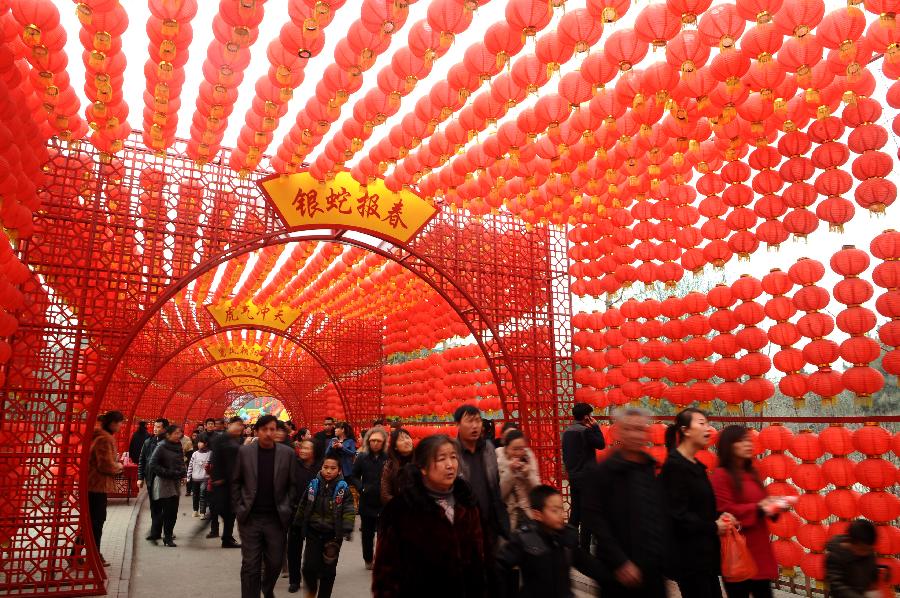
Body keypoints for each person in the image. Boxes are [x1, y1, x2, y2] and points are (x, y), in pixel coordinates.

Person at [372, 434, 485, 597]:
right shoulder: (400, 510)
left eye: (453, 457)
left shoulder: (467, 503)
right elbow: (385, 573)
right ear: (423, 467)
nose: (450, 465)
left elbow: (479, 559)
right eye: (441, 459)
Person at [582, 407, 667, 598]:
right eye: (629, 429)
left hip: (652, 567)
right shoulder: (603, 471)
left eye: (640, 429)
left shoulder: (650, 467)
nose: (635, 435)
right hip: (619, 571)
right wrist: (620, 561)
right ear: (619, 431)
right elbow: (594, 518)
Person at [659, 407, 733, 598]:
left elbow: (699, 507)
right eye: (701, 423)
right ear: (685, 430)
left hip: (704, 558)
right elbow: (677, 516)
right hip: (689, 559)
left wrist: (720, 517)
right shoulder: (675, 467)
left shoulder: (696, 466)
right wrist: (713, 526)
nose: (708, 428)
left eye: (708, 423)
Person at [711, 425, 782, 598]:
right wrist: (759, 508)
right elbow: (725, 510)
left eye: (749, 440)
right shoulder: (720, 475)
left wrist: (774, 506)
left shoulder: (752, 472)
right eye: (742, 441)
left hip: (760, 548)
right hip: (739, 551)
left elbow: (762, 502)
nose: (748, 444)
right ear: (729, 446)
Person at [497, 485, 606, 598]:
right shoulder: (525, 539)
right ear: (537, 514)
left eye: (562, 509)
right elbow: (501, 567)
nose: (562, 514)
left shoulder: (566, 537)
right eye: (555, 510)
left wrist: (613, 576)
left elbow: (586, 563)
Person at [232, 415, 298, 598]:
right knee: (250, 565)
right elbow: (236, 482)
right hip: (250, 517)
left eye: (272, 429)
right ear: (256, 431)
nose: (269, 433)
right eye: (265, 429)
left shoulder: (287, 454)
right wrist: (239, 507)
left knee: (275, 563)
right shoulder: (245, 452)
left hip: (276, 518)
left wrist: (288, 506)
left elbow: (293, 484)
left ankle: (267, 589)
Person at [454, 403, 509, 590]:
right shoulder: (450, 453)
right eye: (469, 421)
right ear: (457, 425)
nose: (475, 426)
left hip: (490, 525)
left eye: (477, 420)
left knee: (492, 577)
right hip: (463, 528)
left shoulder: (488, 450)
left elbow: (496, 485)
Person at [295, 455, 356, 598]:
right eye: (325, 467)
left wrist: (347, 527)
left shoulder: (343, 488)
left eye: (333, 468)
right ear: (321, 468)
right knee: (308, 568)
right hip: (313, 532)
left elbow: (349, 509)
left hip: (333, 536)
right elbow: (304, 504)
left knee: (328, 570)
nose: (328, 471)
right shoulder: (313, 485)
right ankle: (311, 590)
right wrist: (298, 522)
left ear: (339, 470)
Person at [561, 402, 606, 550]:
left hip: (573, 476)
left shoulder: (567, 432)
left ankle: (570, 544)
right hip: (587, 477)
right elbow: (601, 444)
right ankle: (585, 547)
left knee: (575, 512)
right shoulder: (585, 431)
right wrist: (595, 427)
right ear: (587, 416)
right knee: (587, 513)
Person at [87, 410, 125, 566]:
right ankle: (95, 555)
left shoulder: (98, 436)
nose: (121, 426)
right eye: (120, 423)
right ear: (113, 423)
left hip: (92, 485)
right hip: (97, 486)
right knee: (97, 522)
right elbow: (105, 465)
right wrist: (119, 466)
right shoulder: (104, 439)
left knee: (91, 522)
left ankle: (77, 554)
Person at [349, 426, 388, 570]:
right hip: (367, 500)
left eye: (378, 440)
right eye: (373, 440)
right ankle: (368, 558)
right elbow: (353, 475)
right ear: (368, 441)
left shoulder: (388, 457)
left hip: (384, 501)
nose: (375, 443)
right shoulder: (362, 457)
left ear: (384, 442)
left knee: (384, 534)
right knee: (367, 534)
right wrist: (361, 488)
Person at [147, 425, 186, 547]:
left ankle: (167, 536)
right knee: (167, 510)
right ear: (168, 434)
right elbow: (152, 463)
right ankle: (162, 535)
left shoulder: (178, 445)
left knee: (173, 511)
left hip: (175, 482)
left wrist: (183, 473)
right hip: (163, 483)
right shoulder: (162, 446)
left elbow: (180, 461)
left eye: (179, 433)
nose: (178, 435)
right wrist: (166, 473)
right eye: (175, 433)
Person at [288, 439, 318, 593]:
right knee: (294, 548)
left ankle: (311, 575)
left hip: (315, 514)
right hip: (296, 512)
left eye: (307, 448)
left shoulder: (320, 467)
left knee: (313, 549)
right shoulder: (294, 465)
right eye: (302, 448)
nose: (303, 451)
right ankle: (294, 580)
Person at [209, 416, 244, 548]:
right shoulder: (221, 439)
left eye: (242, 425)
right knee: (222, 509)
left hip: (233, 481)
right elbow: (215, 459)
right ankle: (221, 534)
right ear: (230, 424)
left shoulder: (237, 440)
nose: (240, 427)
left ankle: (227, 538)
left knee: (230, 511)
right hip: (222, 482)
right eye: (238, 424)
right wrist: (216, 478)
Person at [825, 519, 881, 598]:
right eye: (863, 549)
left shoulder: (867, 550)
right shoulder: (835, 556)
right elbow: (837, 587)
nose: (867, 553)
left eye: (870, 549)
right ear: (852, 543)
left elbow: (872, 572)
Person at [497, 428, 540, 529]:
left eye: (521, 449)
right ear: (506, 448)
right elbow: (499, 494)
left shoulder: (528, 458)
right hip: (507, 517)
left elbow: (537, 491)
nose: (518, 453)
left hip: (528, 515)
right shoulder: (497, 461)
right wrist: (510, 472)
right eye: (514, 449)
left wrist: (528, 475)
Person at [138, 418, 168, 541]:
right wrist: (140, 477)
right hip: (151, 479)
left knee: (165, 507)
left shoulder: (170, 443)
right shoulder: (148, 442)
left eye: (158, 427)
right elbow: (142, 460)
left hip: (165, 480)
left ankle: (167, 532)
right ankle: (155, 532)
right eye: (154, 426)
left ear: (165, 429)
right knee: (154, 507)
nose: (155, 429)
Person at [380, 427, 414, 505]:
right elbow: (385, 494)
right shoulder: (390, 466)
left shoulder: (421, 460)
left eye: (407, 438)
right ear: (395, 447)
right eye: (401, 440)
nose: (406, 441)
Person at [186, 437, 211, 518]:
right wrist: (188, 477)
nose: (199, 444)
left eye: (201, 442)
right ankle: (195, 510)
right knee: (195, 495)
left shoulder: (210, 453)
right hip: (195, 478)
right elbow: (190, 466)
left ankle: (202, 512)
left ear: (206, 443)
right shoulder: (195, 454)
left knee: (202, 495)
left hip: (205, 478)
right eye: (198, 442)